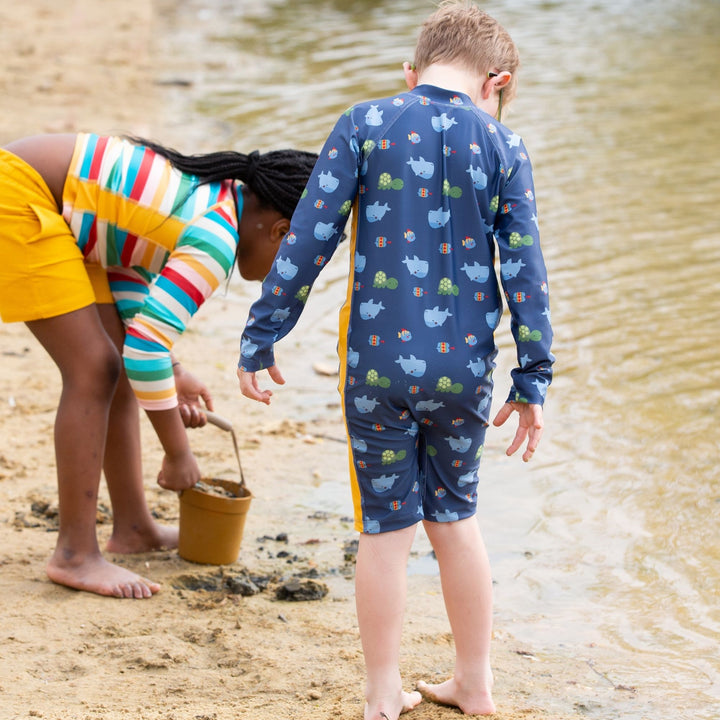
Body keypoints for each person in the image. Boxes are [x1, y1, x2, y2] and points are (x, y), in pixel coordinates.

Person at [238, 1, 554, 717]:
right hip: (465, 374)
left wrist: (263, 334)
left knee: (384, 529)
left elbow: (307, 244)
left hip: (377, 367)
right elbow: (525, 270)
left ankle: (383, 693)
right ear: (495, 80)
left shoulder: (364, 123)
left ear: (410, 73)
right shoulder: (504, 146)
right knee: (456, 519)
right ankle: (475, 685)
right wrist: (533, 375)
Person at [0, 131, 317, 599]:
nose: (293, 279)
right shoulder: (216, 239)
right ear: (281, 231)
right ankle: (74, 555)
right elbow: (143, 348)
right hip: (21, 193)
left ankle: (133, 528)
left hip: (68, 219)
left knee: (117, 367)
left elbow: (129, 273)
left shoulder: (217, 199)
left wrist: (173, 368)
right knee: (94, 369)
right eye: (304, 263)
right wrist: (178, 452)